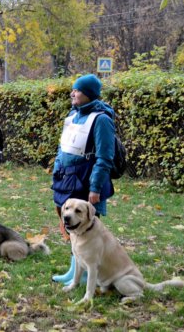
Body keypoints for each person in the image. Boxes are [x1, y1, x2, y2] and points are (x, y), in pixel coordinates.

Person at [50, 74, 116, 286]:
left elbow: (105, 157)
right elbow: (64, 147)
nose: (72, 93)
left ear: (87, 94)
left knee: (86, 230)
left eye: (76, 90)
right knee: (71, 228)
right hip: (67, 179)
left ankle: (88, 273)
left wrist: (95, 188)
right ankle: (73, 271)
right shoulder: (72, 115)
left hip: (86, 181)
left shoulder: (102, 119)